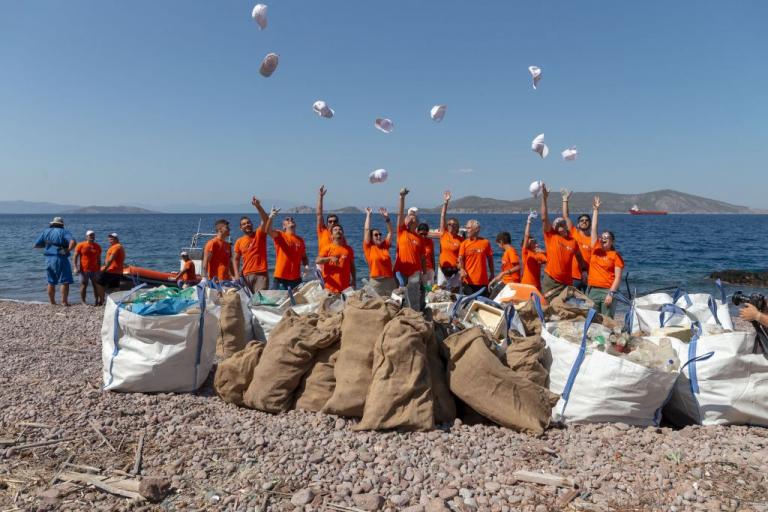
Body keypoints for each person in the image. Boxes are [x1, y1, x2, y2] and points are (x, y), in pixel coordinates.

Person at [539, 184, 588, 295]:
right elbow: (544, 218)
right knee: (546, 307)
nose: (559, 223)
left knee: (564, 309)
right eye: (556, 223)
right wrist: (544, 198)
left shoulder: (572, 241)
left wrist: (584, 270)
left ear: (566, 225)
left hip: (566, 283)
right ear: (554, 227)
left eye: (562, 222)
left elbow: (579, 256)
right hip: (551, 280)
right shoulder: (551, 236)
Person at [586, 196, 625, 316]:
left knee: (607, 320)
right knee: (593, 318)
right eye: (602, 237)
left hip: (607, 291)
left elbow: (618, 278)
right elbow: (593, 229)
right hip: (592, 290)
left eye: (606, 238)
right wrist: (596, 210)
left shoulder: (615, 255)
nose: (603, 239)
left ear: (612, 241)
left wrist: (611, 293)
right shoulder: (595, 249)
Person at [393, 187, 425, 309]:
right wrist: (402, 197)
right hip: (401, 270)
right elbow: (400, 214)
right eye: (410, 215)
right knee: (401, 294)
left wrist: (423, 273)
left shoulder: (419, 238)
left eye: (414, 216)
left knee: (414, 296)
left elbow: (421, 257)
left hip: (415, 272)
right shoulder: (402, 232)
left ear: (417, 222)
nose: (412, 217)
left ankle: (414, 314)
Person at [33, 216, 76, 305]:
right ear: (62, 224)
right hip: (60, 258)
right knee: (65, 281)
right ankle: (64, 302)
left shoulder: (46, 232)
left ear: (52, 224)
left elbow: (36, 245)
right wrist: (67, 250)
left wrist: (48, 247)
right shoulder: (64, 232)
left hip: (48, 259)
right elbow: (73, 242)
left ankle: (52, 302)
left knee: (51, 281)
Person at [233, 197, 273, 292]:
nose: (247, 225)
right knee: (247, 302)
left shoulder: (260, 233)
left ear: (252, 224)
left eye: (248, 222)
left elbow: (266, 220)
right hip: (246, 276)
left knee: (259, 302)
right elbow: (235, 259)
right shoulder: (239, 241)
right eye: (244, 224)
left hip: (261, 274)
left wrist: (258, 206)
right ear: (241, 228)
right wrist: (236, 275)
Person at [429, 191, 464, 290]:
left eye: (453, 224)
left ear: (457, 227)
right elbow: (442, 216)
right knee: (441, 289)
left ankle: (455, 305)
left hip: (455, 269)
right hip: (443, 267)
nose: (451, 226)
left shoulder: (461, 240)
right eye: (449, 224)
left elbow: (462, 257)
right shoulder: (443, 234)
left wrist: (462, 269)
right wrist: (446, 202)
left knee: (455, 291)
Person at [562, 189, 593, 290]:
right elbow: (565, 216)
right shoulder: (574, 232)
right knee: (571, 304)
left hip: (588, 277)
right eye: (582, 220)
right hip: (573, 277)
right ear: (578, 224)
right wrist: (565, 200)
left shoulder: (594, 239)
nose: (584, 222)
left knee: (588, 304)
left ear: (590, 223)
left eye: (586, 220)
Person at [269, 213, 309, 290]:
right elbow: (268, 230)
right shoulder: (280, 235)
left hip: (296, 279)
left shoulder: (300, 240)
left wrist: (306, 266)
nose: (290, 220)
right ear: (284, 226)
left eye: (292, 219)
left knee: (297, 302)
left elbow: (304, 257)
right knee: (277, 301)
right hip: (281, 278)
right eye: (287, 219)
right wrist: (271, 217)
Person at [363, 207, 396, 297]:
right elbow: (366, 230)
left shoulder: (385, 245)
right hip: (376, 282)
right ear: (371, 237)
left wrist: (386, 218)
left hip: (390, 280)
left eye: (380, 234)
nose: (378, 236)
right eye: (376, 235)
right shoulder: (369, 247)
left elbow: (390, 232)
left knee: (392, 303)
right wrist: (368, 215)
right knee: (377, 305)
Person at [457, 219, 494, 296]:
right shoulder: (464, 244)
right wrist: (462, 269)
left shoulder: (485, 243)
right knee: (470, 304)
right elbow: (460, 259)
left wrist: (492, 273)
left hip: (482, 281)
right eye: (466, 228)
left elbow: (490, 259)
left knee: (482, 304)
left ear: (476, 229)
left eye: (469, 228)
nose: (466, 230)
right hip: (468, 281)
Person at [316, 224, 355, 294]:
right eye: (335, 230)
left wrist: (354, 280)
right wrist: (329, 258)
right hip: (330, 288)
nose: (338, 231)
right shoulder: (327, 248)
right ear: (332, 235)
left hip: (345, 288)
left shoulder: (349, 249)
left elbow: (352, 266)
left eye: (340, 229)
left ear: (343, 233)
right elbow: (317, 260)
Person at [74, 230, 103, 305]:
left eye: (93, 235)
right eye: (90, 235)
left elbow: (99, 259)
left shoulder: (97, 246)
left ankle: (96, 301)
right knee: (84, 285)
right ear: (86, 236)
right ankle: (83, 301)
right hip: (84, 269)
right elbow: (75, 256)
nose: (92, 237)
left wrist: (99, 269)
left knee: (96, 285)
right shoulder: (81, 245)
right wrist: (75, 267)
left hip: (95, 270)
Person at [521, 212, 548, 291]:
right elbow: (526, 235)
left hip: (537, 287)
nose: (535, 244)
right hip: (526, 286)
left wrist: (544, 252)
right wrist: (529, 221)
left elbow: (550, 260)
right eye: (532, 242)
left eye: (535, 242)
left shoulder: (538, 254)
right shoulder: (525, 253)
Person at [316, 185, 341, 254]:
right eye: (330, 221)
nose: (332, 223)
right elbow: (319, 214)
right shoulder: (322, 231)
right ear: (327, 223)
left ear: (338, 222)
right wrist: (321, 197)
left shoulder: (340, 235)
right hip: (322, 262)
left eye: (334, 221)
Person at [417, 222, 436, 287]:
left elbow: (432, 256)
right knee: (419, 290)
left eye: (425, 234)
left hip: (429, 270)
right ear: (418, 232)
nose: (423, 236)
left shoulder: (430, 241)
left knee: (429, 290)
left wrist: (434, 270)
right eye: (421, 234)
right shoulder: (415, 241)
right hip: (418, 270)